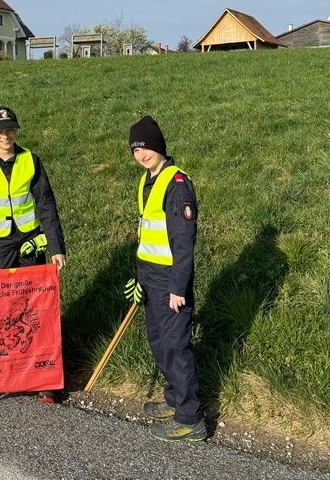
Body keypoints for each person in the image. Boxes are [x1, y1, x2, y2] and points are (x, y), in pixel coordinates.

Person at [0, 105, 67, 401]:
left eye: (11, 130)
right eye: (0, 131)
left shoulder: (31, 160)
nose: (6, 136)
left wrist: (56, 246)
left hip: (30, 241)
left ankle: (43, 378)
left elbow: (47, 205)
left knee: (35, 306)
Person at [129, 115, 206, 442]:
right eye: (135, 150)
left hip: (170, 282)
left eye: (145, 147)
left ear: (158, 146)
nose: (141, 154)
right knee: (160, 343)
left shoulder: (176, 185)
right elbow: (148, 234)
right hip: (150, 277)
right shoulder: (148, 180)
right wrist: (138, 277)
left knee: (176, 347)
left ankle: (191, 418)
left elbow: (182, 242)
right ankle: (175, 398)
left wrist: (178, 288)